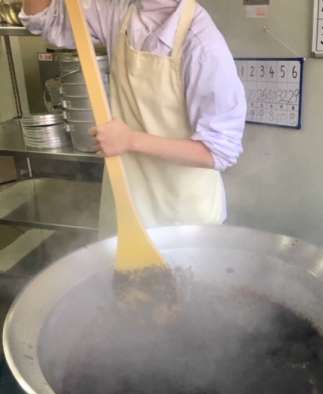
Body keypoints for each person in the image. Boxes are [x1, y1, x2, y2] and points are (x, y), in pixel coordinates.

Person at [20, 0, 247, 234]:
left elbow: (218, 151)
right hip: (125, 204)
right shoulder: (121, 13)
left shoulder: (202, 45)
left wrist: (130, 140)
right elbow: (43, 20)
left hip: (183, 218)